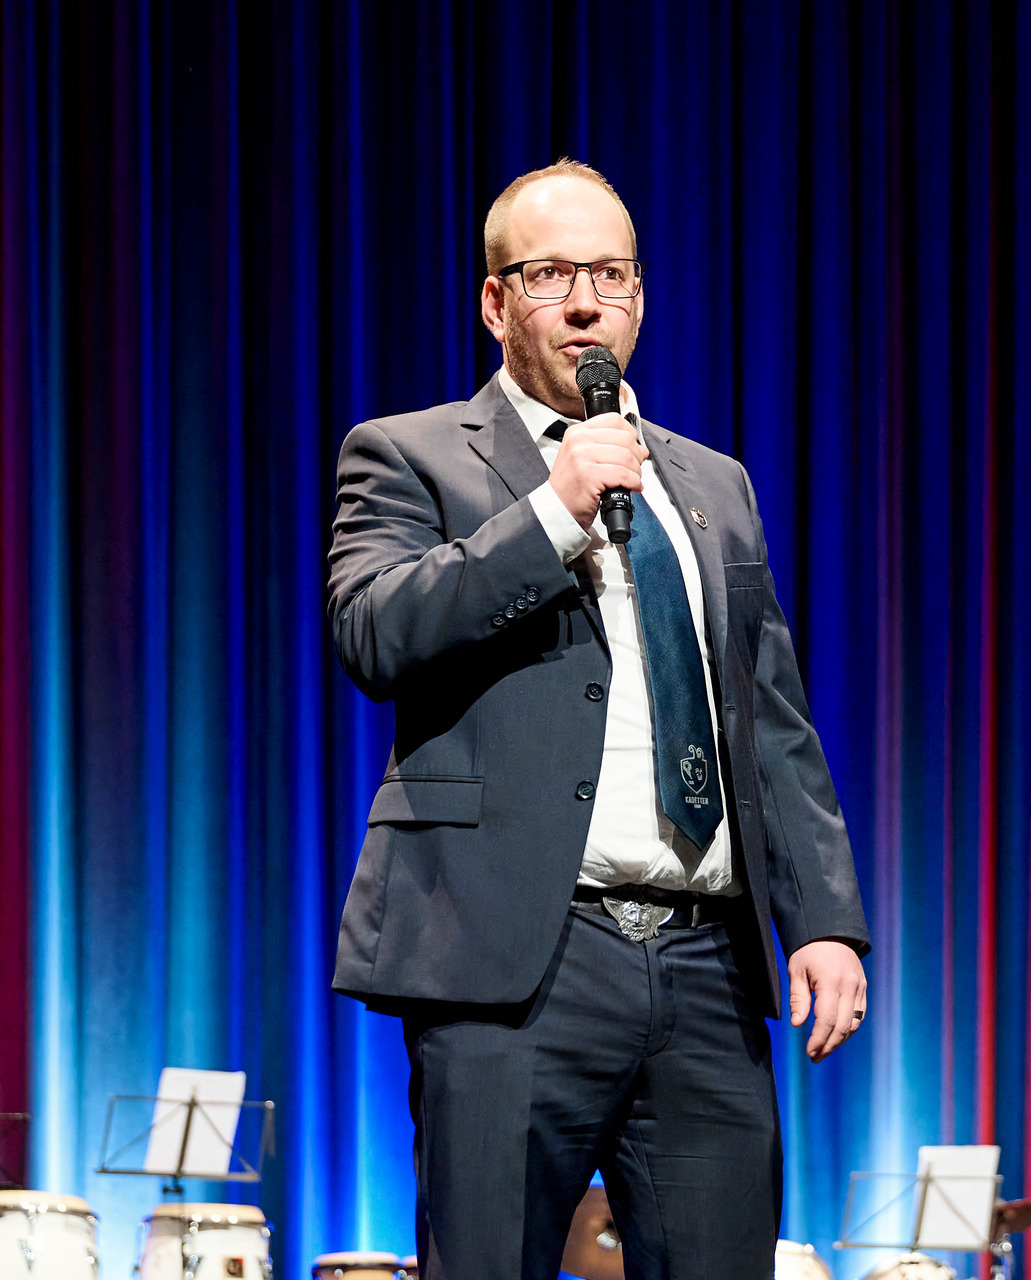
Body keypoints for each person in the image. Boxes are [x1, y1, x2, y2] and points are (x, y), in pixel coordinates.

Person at [326, 158, 869, 1280]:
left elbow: (771, 716)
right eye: (550, 275)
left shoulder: (712, 483)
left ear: (639, 296)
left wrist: (823, 917)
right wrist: (554, 508)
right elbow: (375, 631)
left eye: (609, 274)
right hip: (517, 960)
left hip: (707, 964)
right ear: (496, 302)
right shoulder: (408, 452)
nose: (585, 302)